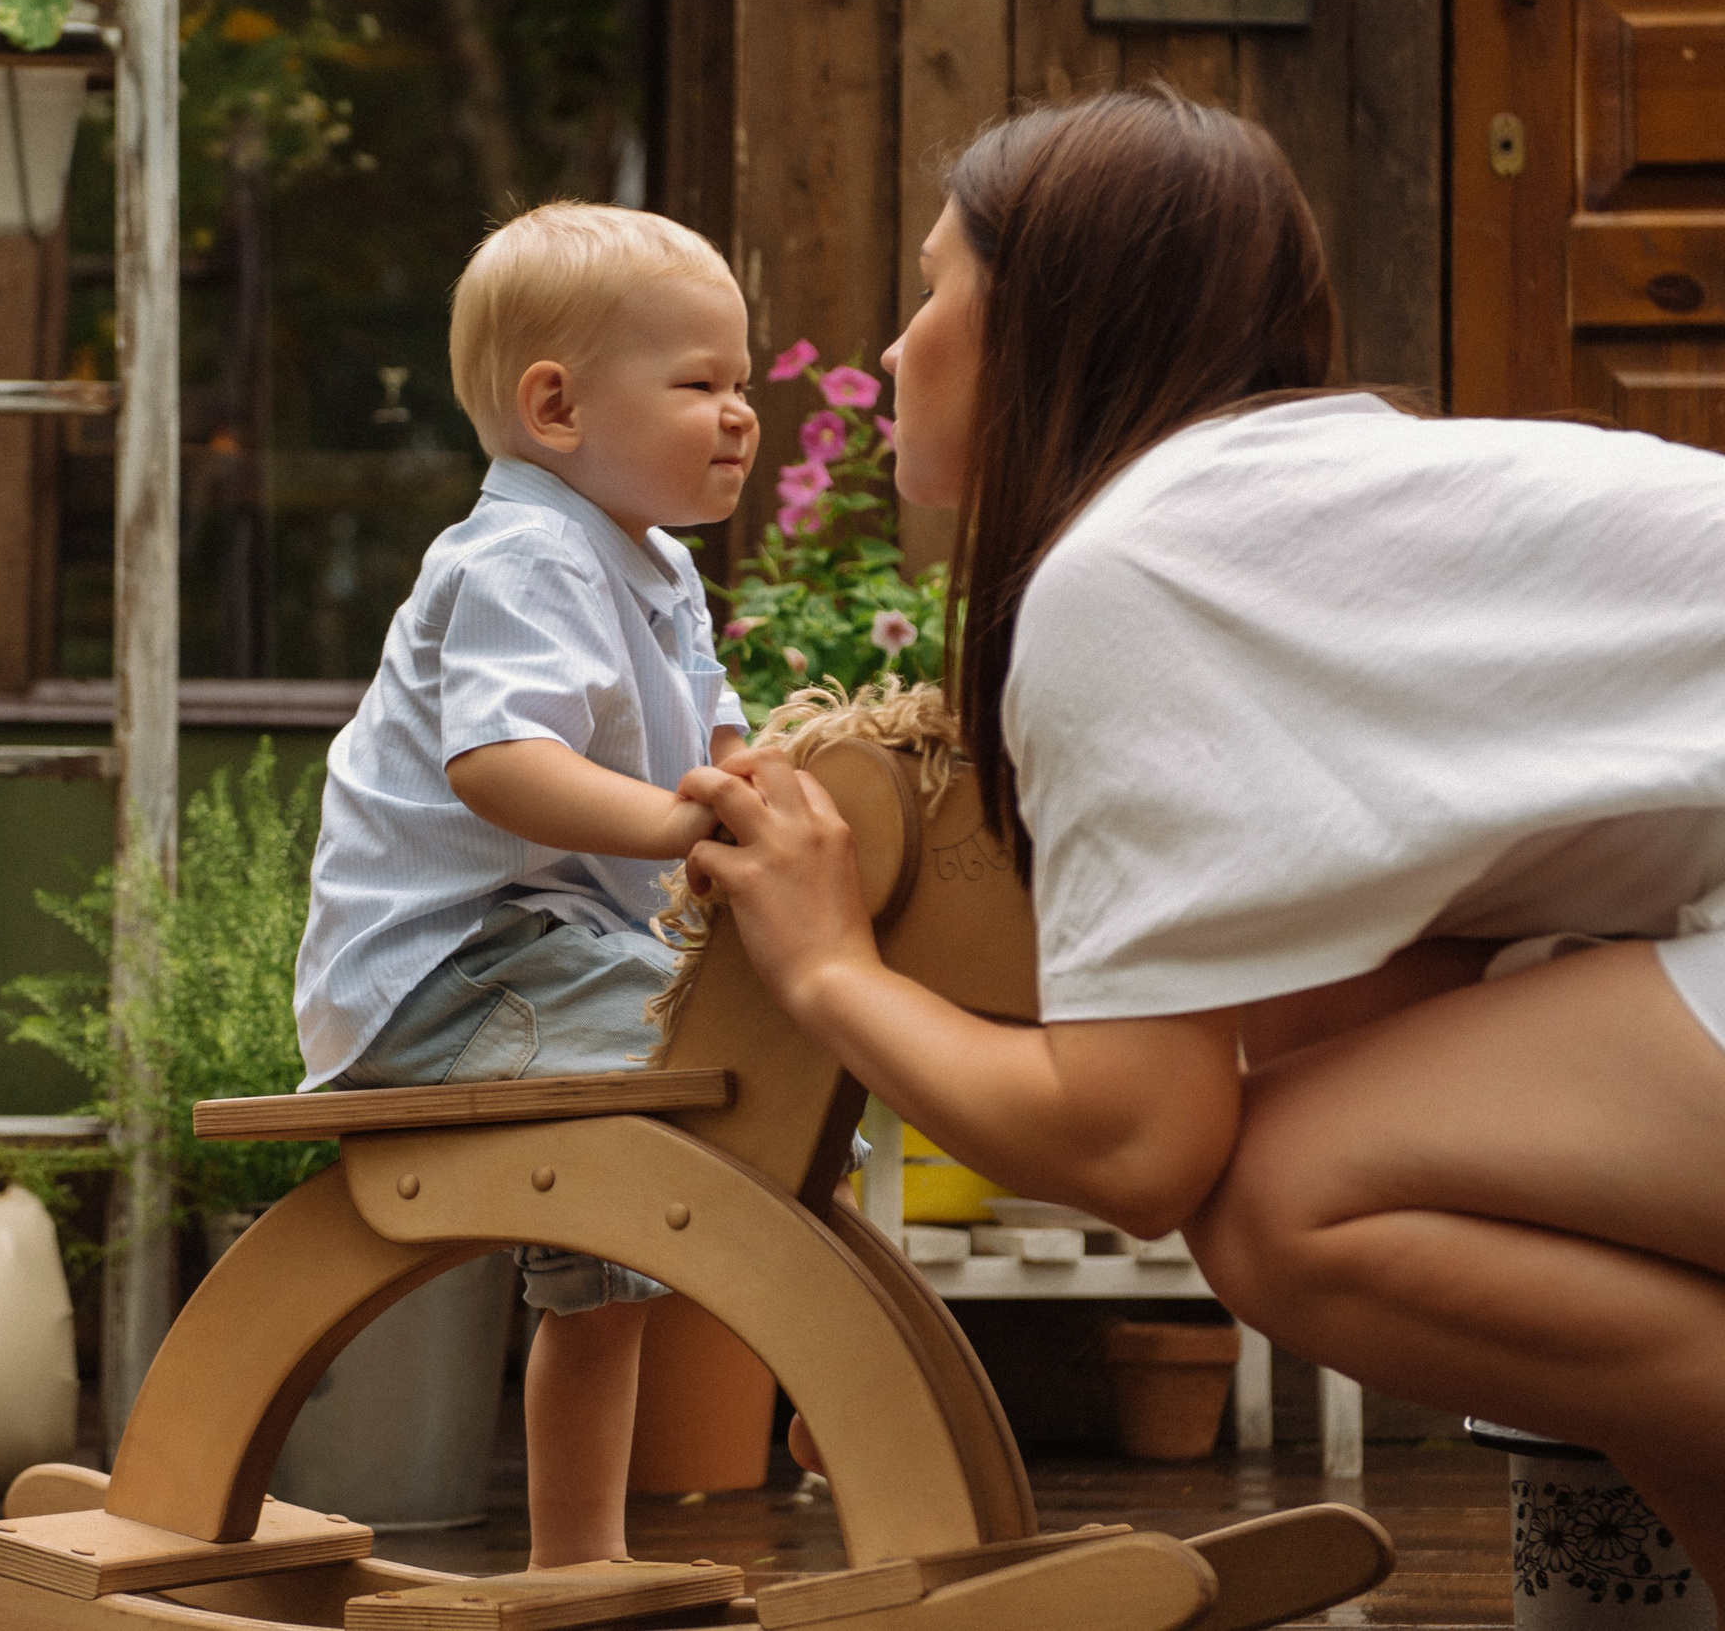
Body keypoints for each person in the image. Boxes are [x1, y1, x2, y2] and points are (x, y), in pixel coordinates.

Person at [681, 88, 1725, 1580]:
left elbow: (1138, 1142)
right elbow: (1326, 1016)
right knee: (1336, 1080)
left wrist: (832, 971)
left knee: (1287, 1201)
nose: (895, 347)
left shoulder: (1133, 573)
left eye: (932, 288)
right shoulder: (1290, 511)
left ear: (1046, 319)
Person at [292, 201, 755, 1567]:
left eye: (746, 385)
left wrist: (766, 788)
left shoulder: (657, 563)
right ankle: (819, 1326)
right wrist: (691, 827)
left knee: (605, 1282)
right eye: (701, 384)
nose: (739, 416)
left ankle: (578, 1561)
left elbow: (721, 732)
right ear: (555, 405)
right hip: (445, 972)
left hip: (548, 959)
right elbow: (502, 763)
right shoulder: (521, 557)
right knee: (722, 1045)